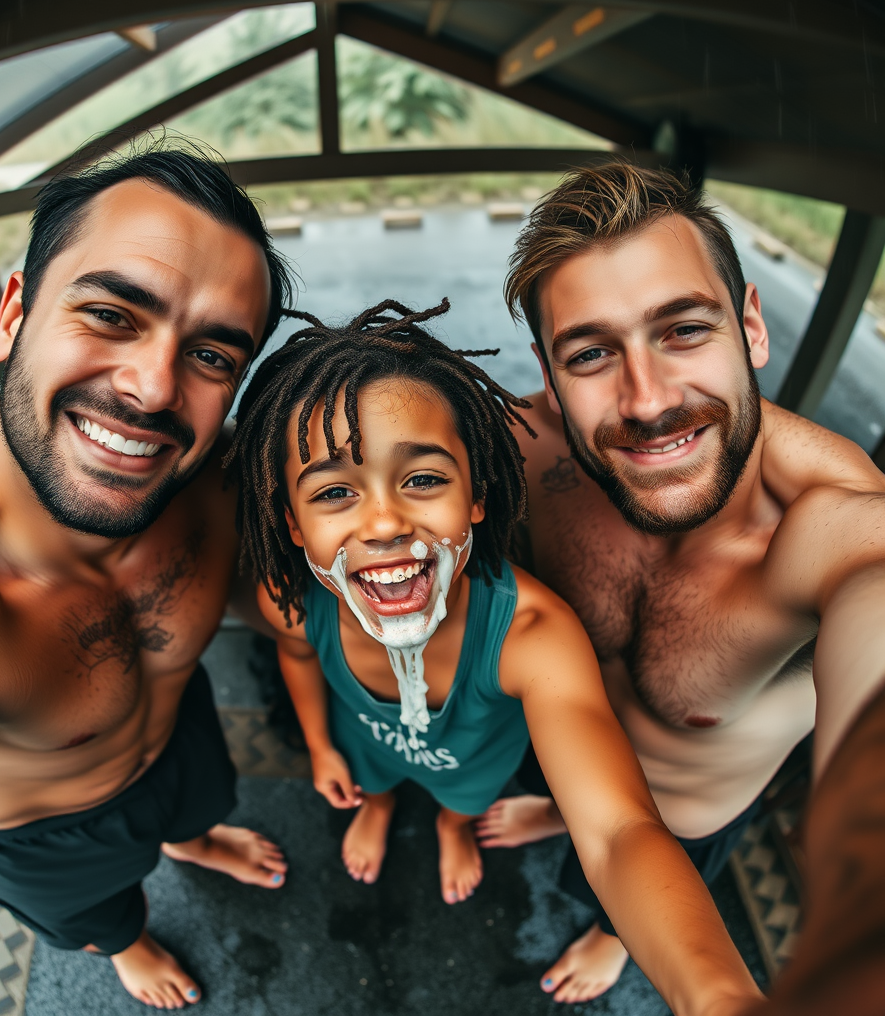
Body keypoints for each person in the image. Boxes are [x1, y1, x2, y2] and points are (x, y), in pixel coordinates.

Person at [224, 300, 764, 1016]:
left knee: (463, 805)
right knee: (372, 780)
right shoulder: (289, 598)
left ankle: (451, 827)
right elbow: (297, 656)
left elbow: (617, 829)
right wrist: (322, 747)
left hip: (472, 767)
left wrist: (721, 997)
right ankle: (380, 808)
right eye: (333, 492)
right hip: (367, 746)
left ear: (477, 496)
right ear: (293, 525)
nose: (384, 522)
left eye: (423, 479)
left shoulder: (532, 634)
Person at [0, 145, 294, 1014]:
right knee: (100, 915)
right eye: (109, 314)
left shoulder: (210, 476)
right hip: (51, 837)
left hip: (179, 738)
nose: (152, 387)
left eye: (213, 356)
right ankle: (126, 941)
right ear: (13, 313)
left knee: (197, 808)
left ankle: (191, 837)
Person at [473, 161, 885, 1004]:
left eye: (684, 330)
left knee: (628, 905)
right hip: (557, 759)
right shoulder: (529, 443)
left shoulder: (833, 525)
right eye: (590, 352)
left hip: (683, 817)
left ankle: (610, 936)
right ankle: (560, 813)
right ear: (551, 377)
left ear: (750, 329)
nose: (649, 399)